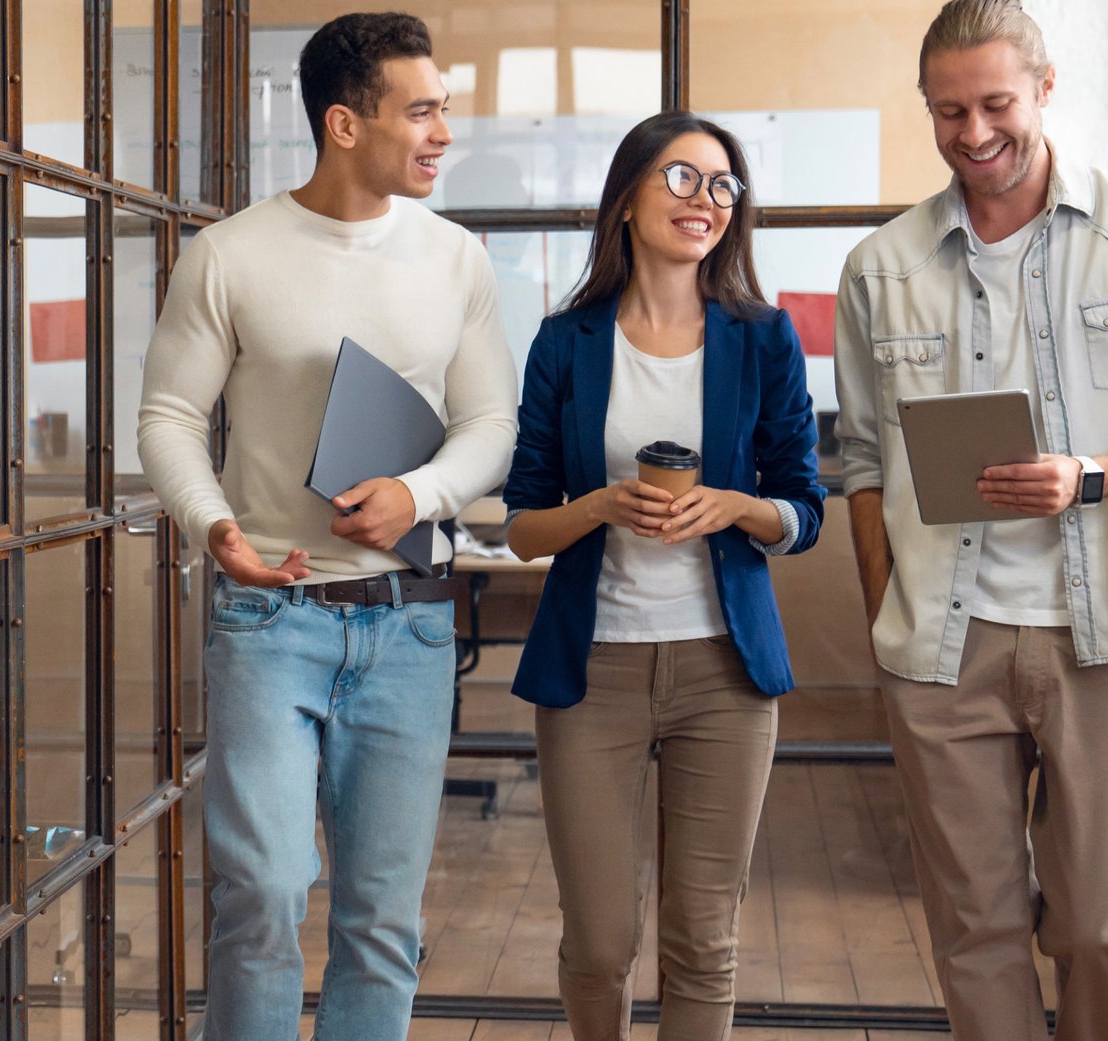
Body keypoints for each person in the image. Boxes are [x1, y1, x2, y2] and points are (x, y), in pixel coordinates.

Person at [832, 3, 1108, 1038]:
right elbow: (858, 459)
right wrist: (887, 605)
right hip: (940, 641)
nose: (971, 134)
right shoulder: (878, 266)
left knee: (1100, 931)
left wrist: (1092, 475)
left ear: (1042, 89)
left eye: (992, 105)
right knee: (969, 929)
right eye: (945, 112)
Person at [136, 13, 517, 1041]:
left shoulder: (455, 259)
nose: (443, 132)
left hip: (411, 624)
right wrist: (214, 528)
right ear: (344, 123)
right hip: (271, 621)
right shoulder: (228, 255)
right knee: (257, 896)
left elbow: (491, 426)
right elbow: (168, 419)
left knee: (380, 921)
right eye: (423, 110)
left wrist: (421, 492)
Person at [501, 112, 825, 1041]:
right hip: (590, 670)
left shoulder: (765, 340)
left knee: (703, 938)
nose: (706, 201)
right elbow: (523, 527)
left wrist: (735, 507)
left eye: (723, 185)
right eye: (683, 179)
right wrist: (599, 506)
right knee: (600, 941)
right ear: (629, 194)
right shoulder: (565, 343)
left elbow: (804, 511)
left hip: (725, 673)